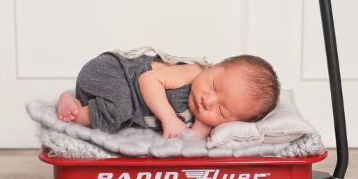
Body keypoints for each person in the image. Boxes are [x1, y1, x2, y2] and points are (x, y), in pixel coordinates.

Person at [57, 50, 280, 140]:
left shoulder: (206, 119)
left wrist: (202, 129)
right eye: (213, 86)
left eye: (221, 110)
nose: (208, 101)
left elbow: (192, 139)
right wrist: (169, 118)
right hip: (111, 72)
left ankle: (80, 102)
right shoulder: (193, 72)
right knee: (118, 112)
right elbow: (148, 79)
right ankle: (75, 112)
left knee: (118, 118)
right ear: (213, 67)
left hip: (107, 94)